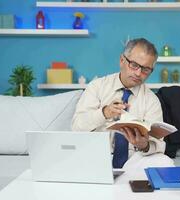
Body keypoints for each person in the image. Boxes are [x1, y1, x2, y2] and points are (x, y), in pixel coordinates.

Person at [72, 38, 173, 171]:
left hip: (134, 159)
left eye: (146, 69)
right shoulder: (97, 87)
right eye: (134, 65)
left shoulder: (152, 100)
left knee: (164, 162)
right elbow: (76, 128)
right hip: (96, 155)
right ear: (122, 60)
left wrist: (144, 145)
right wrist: (104, 113)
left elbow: (159, 144)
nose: (138, 73)